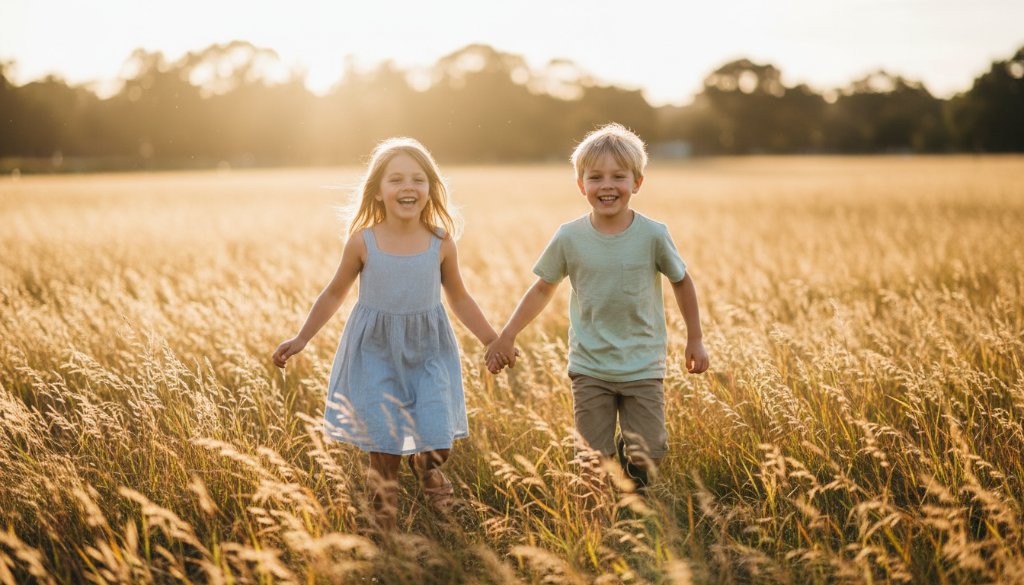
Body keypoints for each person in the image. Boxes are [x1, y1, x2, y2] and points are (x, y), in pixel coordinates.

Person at [273, 137, 507, 530]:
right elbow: (334, 293)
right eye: (396, 179)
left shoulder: (440, 241)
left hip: (428, 350)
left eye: (418, 179)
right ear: (378, 192)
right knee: (384, 450)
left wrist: (491, 339)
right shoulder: (363, 241)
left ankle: (426, 467)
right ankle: (386, 531)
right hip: (376, 352)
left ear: (430, 187)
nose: (408, 187)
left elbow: (460, 296)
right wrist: (302, 338)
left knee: (438, 443)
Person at [486, 123, 709, 492]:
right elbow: (542, 288)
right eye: (596, 177)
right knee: (592, 459)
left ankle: (633, 479)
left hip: (642, 364)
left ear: (637, 182)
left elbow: (682, 281)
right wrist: (507, 336)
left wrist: (695, 340)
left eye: (618, 176)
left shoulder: (653, 234)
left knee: (649, 452)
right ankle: (601, 513)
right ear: (581, 185)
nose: (607, 185)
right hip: (590, 365)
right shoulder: (569, 237)